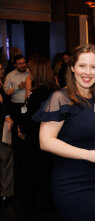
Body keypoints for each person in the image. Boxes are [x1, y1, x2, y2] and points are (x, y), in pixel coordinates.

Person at [32, 44, 95, 221]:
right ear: (72, 68)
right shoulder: (60, 97)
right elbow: (45, 141)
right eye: (82, 66)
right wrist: (89, 155)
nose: (88, 72)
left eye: (93, 67)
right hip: (73, 184)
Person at [18, 56, 59, 206]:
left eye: (30, 70)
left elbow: (31, 116)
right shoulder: (53, 91)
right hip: (47, 138)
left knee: (37, 169)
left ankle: (38, 202)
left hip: (37, 138)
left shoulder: (40, 94)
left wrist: (22, 128)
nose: (28, 72)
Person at [0, 62, 14, 206]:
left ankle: (6, 192)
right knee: (5, 156)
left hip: (2, 124)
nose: (2, 70)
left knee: (6, 155)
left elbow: (3, 105)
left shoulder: (0, 83)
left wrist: (7, 116)